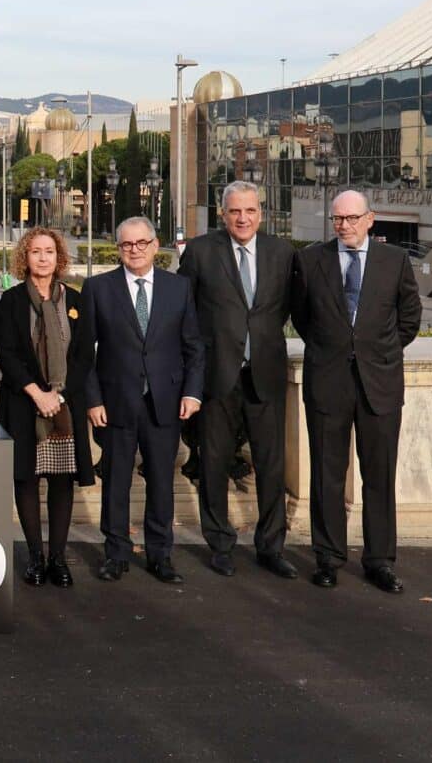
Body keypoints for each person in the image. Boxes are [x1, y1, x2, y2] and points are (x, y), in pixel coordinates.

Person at [291, 190, 420, 593]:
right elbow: (301, 317)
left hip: (378, 384)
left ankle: (379, 560)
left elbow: (409, 319)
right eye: (337, 219)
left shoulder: (395, 261)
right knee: (327, 474)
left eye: (350, 218)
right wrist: (335, 351)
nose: (343, 225)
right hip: (327, 383)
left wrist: (374, 353)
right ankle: (328, 558)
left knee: (378, 475)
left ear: (370, 219)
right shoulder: (311, 260)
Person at [176, 181, 298, 580]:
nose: (242, 218)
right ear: (222, 214)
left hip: (265, 373)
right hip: (216, 376)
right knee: (213, 463)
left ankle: (271, 546)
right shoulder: (200, 252)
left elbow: (295, 310)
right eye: (234, 212)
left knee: (271, 464)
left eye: (249, 211)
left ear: (260, 213)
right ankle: (221, 543)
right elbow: (184, 314)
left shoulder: (283, 254)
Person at [84, 216, 204, 584]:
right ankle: (115, 554)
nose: (134, 250)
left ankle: (160, 555)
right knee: (116, 482)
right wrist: (93, 400)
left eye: (141, 243)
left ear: (155, 245)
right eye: (126, 245)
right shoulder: (98, 288)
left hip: (165, 402)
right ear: (117, 248)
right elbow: (83, 353)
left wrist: (192, 392)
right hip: (116, 402)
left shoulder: (178, 288)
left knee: (161, 484)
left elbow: (194, 347)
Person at [0, 227, 94, 588]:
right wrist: (38, 393)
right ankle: (36, 557)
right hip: (24, 404)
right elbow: (7, 353)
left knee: (61, 480)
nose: (42, 257)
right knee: (26, 479)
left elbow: (84, 356)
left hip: (64, 407)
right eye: (35, 251)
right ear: (26, 256)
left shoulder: (76, 301)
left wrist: (60, 394)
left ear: (59, 257)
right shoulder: (11, 301)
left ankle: (58, 558)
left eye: (49, 251)